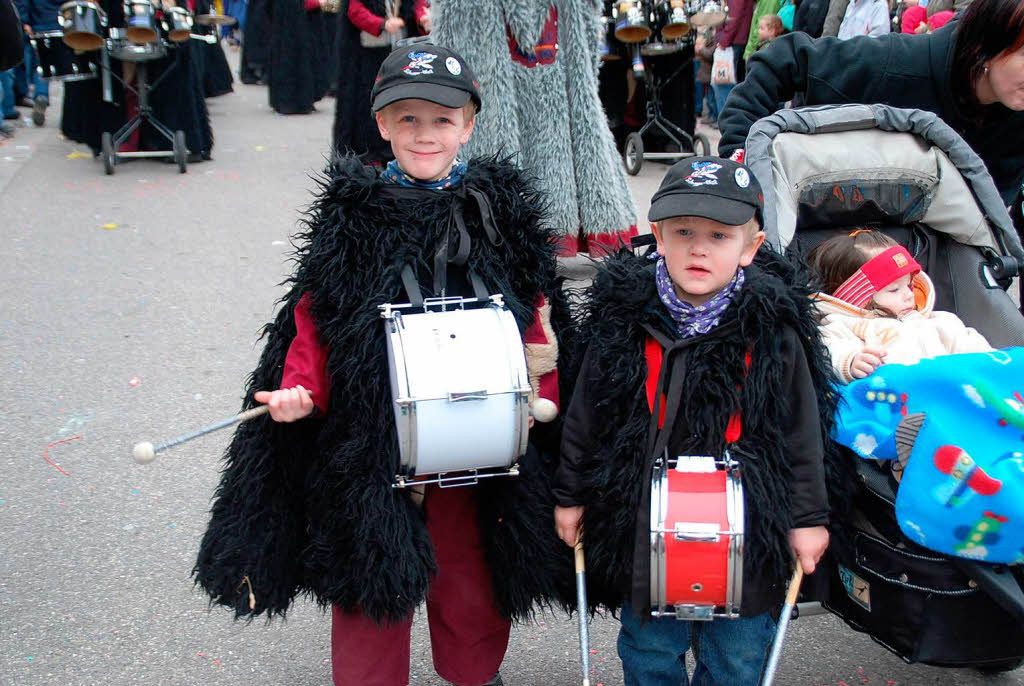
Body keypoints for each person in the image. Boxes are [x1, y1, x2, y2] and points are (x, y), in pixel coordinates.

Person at [195, 44, 567, 686]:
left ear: (469, 125)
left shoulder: (500, 215)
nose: (426, 134)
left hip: (472, 432)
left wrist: (540, 390)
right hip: (373, 437)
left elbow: (536, 311)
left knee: (471, 568)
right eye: (409, 119)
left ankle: (475, 673)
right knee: (369, 571)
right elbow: (315, 317)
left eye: (443, 120)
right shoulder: (352, 220)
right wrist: (299, 390)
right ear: (383, 124)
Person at [553, 157, 840, 686]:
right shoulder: (624, 322)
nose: (699, 248)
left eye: (719, 235)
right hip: (646, 521)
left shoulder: (774, 333)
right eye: (684, 232)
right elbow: (586, 418)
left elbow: (801, 435)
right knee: (648, 650)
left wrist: (808, 518)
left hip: (748, 526)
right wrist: (570, 497)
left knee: (736, 657)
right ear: (658, 236)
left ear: (750, 248)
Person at [718, 0, 1024, 218]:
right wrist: (742, 166)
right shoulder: (896, 65)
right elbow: (783, 60)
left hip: (929, 265)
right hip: (820, 225)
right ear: (988, 43)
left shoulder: (1015, 120)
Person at [431, 0, 638, 255]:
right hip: (496, 35)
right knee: (504, 125)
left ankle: (541, 232)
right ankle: (497, 229)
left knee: (554, 129)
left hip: (551, 39)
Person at [807, 229, 993, 382]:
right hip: (894, 398)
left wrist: (989, 363)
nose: (909, 295)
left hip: (946, 389)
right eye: (894, 290)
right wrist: (851, 361)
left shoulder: (935, 321)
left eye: (910, 285)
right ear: (855, 297)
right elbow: (828, 350)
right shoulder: (843, 325)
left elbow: (965, 344)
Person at [332, 0, 425, 160]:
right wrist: (382, 24)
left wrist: (422, 18)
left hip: (397, 50)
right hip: (365, 56)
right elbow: (355, 11)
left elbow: (417, 7)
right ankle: (369, 151)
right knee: (366, 103)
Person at [15, 0, 60, 125]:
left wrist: (24, 22)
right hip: (58, 24)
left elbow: (23, 3)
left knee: (39, 65)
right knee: (53, 65)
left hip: (37, 25)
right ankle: (42, 95)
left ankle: (40, 94)